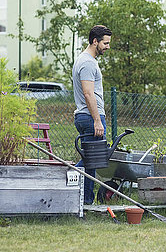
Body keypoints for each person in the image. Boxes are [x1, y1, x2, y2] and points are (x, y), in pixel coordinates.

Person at [72, 24, 112, 204]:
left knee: (91, 162)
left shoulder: (85, 60)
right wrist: (97, 120)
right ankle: (66, 178)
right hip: (89, 117)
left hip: (86, 116)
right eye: (105, 43)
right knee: (90, 161)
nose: (107, 47)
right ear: (95, 41)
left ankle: (86, 200)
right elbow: (88, 93)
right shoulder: (88, 62)